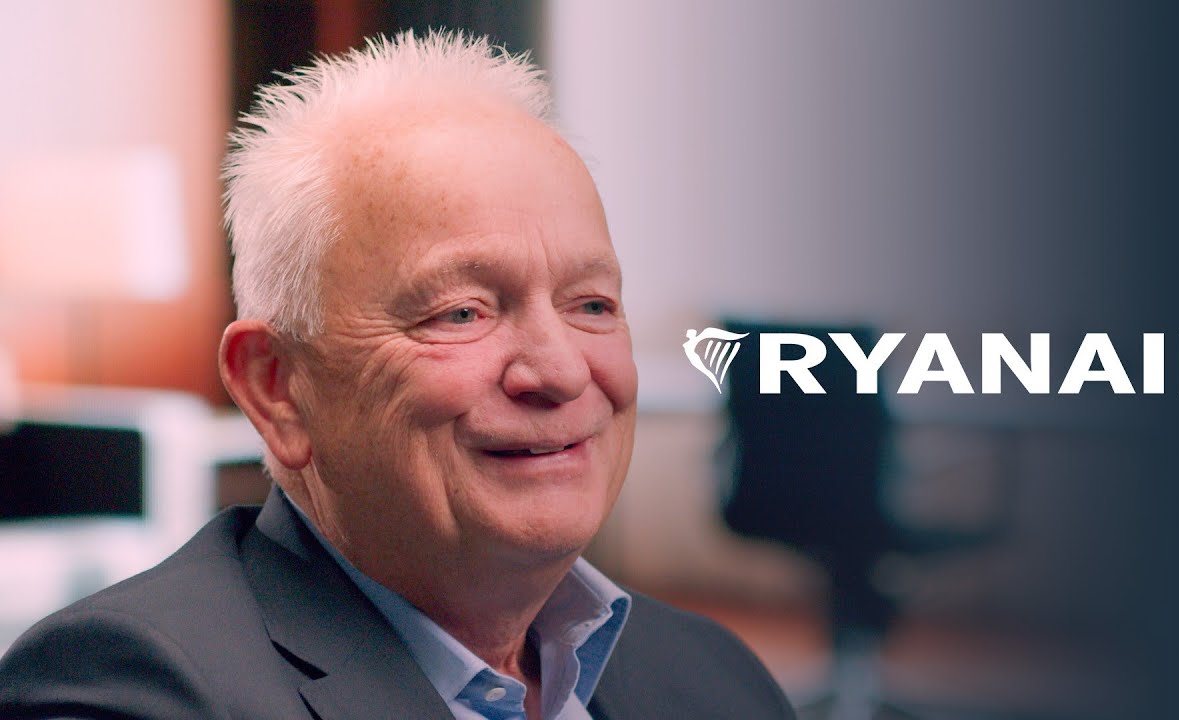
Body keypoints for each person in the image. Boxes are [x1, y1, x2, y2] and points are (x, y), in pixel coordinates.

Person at [0, 31, 795, 720]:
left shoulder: (713, 675)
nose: (557, 370)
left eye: (591, 304)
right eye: (461, 313)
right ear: (277, 388)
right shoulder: (132, 690)